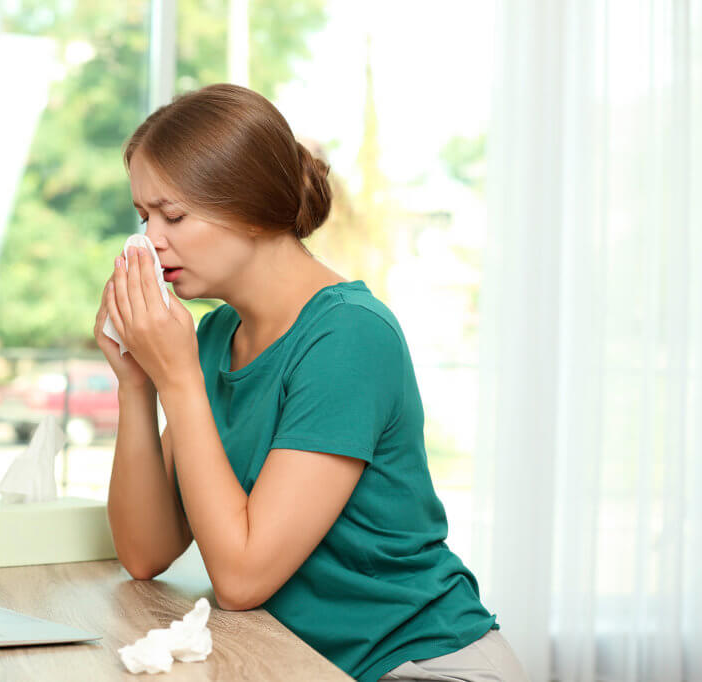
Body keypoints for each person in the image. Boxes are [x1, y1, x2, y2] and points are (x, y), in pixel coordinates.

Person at [95, 83, 528, 682]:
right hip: (305, 663)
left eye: (173, 215)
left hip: (422, 662)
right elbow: (145, 553)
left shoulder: (350, 337)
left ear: (249, 208)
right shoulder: (219, 334)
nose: (150, 240)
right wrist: (138, 385)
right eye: (144, 216)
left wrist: (180, 380)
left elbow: (242, 579)